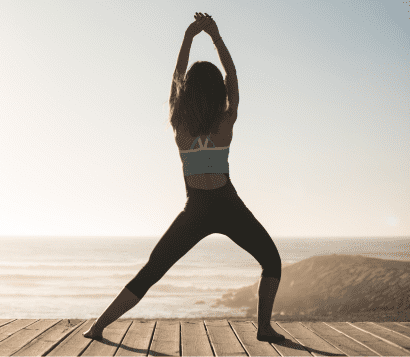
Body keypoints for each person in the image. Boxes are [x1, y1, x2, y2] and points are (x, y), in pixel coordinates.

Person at [82, 12, 286, 344]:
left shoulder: (180, 124)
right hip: (227, 204)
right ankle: (264, 328)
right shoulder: (226, 121)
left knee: (152, 270)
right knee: (271, 261)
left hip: (197, 210)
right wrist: (215, 36)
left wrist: (189, 37)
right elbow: (232, 74)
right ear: (218, 91)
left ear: (188, 92)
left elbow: (177, 79)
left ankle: (99, 326)